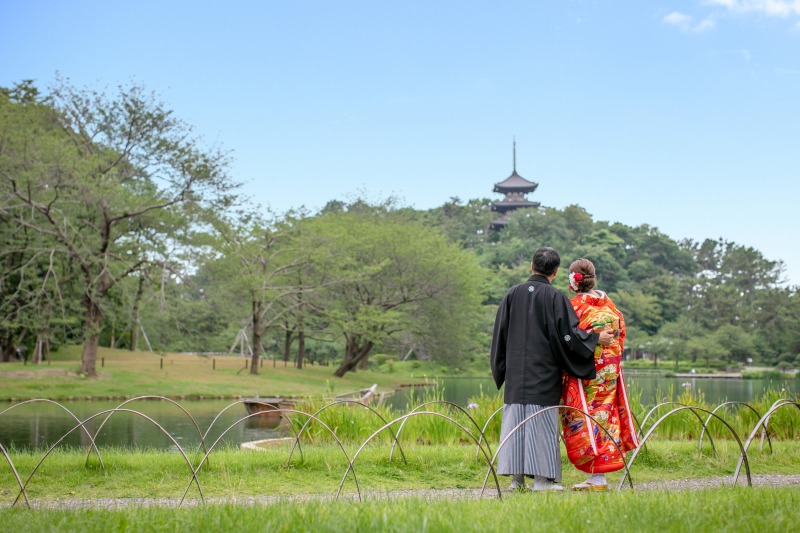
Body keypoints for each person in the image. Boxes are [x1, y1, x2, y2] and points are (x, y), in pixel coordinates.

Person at [490, 247, 614, 492]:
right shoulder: (555, 297)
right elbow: (568, 336)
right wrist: (594, 339)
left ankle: (517, 482)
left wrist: (502, 366)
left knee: (517, 423)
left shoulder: (512, 294)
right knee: (542, 425)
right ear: (556, 272)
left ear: (531, 266)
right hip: (544, 373)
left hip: (516, 373)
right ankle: (542, 481)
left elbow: (500, 334)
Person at [560, 258, 640, 491]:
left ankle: (597, 477)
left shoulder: (575, 306)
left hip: (585, 373)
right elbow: (621, 334)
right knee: (606, 416)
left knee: (583, 418)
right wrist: (610, 357)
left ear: (573, 281)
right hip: (610, 371)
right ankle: (598, 477)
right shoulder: (611, 305)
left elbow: (568, 338)